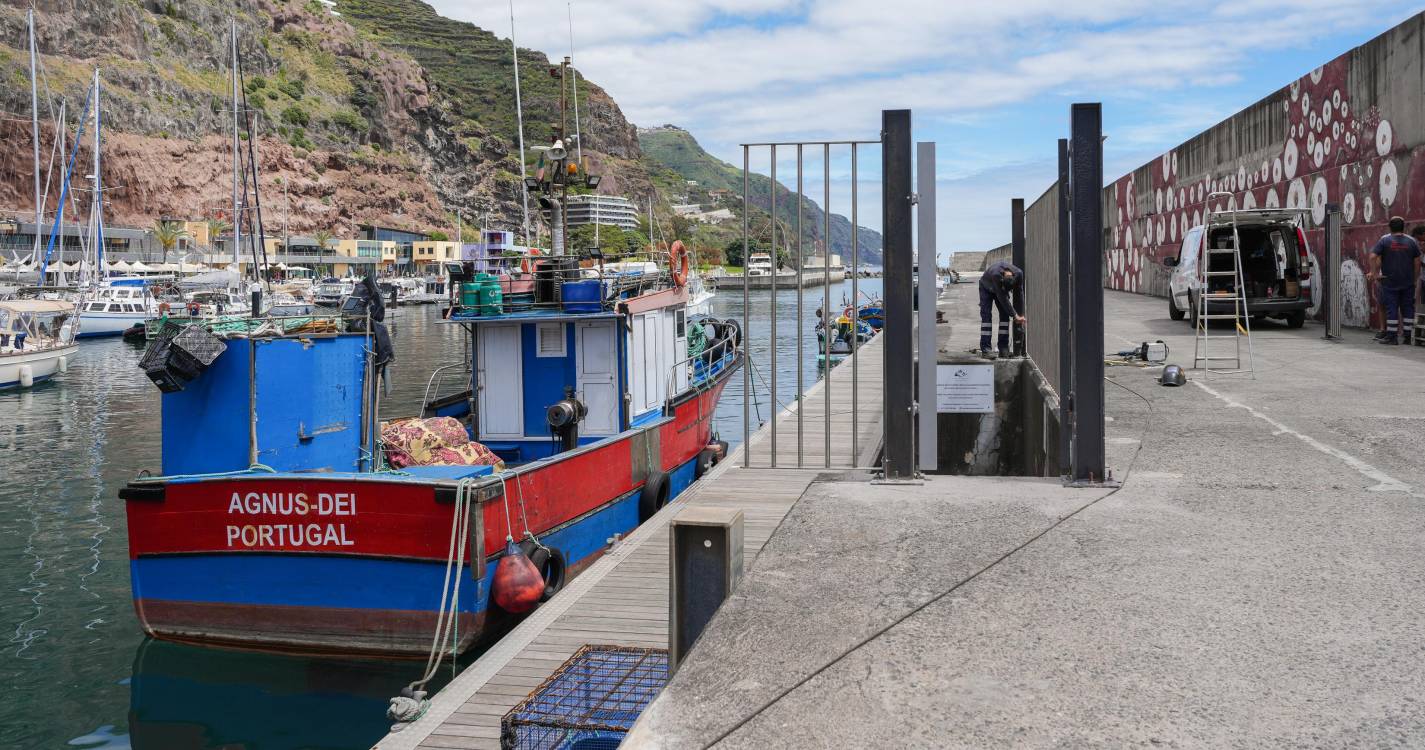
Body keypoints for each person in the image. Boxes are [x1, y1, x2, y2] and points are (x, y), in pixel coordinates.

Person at [1369, 216, 1422, 345]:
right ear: (1403, 227)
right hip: (1407, 281)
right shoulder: (1412, 242)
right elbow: (1417, 262)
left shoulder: (1385, 241)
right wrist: (1414, 279)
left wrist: (1375, 274)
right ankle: (1408, 336)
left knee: (1391, 308)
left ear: (1390, 227)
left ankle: (1392, 337)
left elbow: (1372, 256)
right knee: (1408, 308)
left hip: (1390, 281)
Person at [978, 259, 1025, 357]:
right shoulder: (996, 275)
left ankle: (1003, 348)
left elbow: (1019, 295)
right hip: (986, 286)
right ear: (1003, 278)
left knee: (1004, 316)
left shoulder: (1019, 274)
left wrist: (1020, 315)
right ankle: (986, 349)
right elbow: (1003, 298)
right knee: (986, 316)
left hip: (1000, 289)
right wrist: (1015, 315)